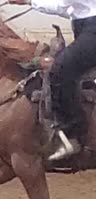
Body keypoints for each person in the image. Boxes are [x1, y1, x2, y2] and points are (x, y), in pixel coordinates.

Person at [9, 0, 96, 160]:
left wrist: (30, 1)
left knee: (58, 70)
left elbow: (63, 4)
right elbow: (70, 9)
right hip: (85, 27)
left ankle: (73, 133)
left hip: (92, 29)